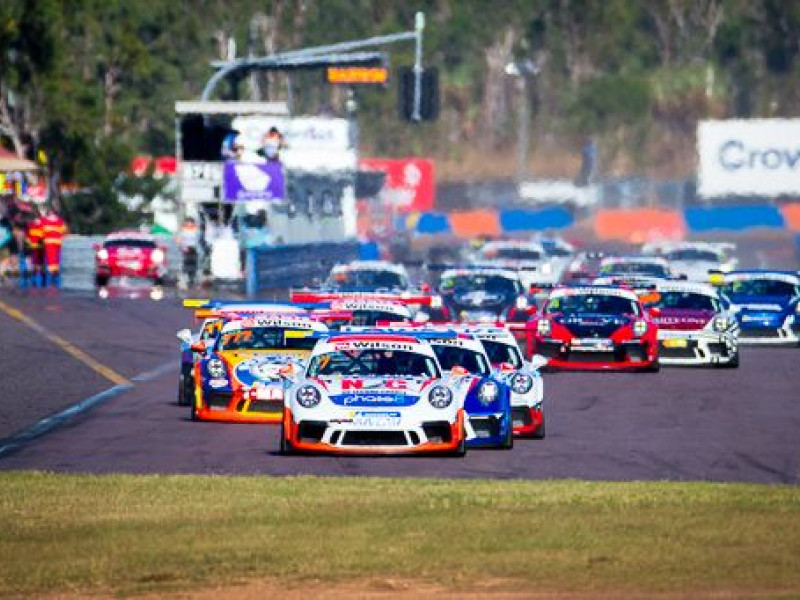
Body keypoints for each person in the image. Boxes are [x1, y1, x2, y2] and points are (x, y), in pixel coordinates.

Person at [40, 206, 67, 287]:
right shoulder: (60, 221)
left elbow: (40, 232)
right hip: (58, 244)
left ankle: (48, 284)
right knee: (57, 263)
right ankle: (57, 284)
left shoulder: (44, 221)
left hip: (48, 244)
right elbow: (64, 233)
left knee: (49, 263)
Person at [178, 216, 201, 287]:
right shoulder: (183, 230)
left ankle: (192, 278)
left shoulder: (196, 230)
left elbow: (198, 239)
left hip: (194, 248)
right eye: (188, 222)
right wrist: (182, 247)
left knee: (194, 263)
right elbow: (179, 240)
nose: (190, 223)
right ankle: (185, 278)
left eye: (191, 222)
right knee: (186, 263)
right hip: (186, 248)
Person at [24, 209, 44, 287]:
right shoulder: (40, 226)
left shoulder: (30, 226)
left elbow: (27, 237)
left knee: (35, 265)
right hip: (38, 248)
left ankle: (35, 282)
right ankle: (39, 282)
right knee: (38, 265)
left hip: (34, 248)